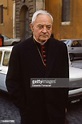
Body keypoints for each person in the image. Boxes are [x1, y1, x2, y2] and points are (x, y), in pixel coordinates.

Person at [6, 10, 69, 124]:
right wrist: (25, 107)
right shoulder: (19, 50)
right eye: (40, 26)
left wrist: (63, 104)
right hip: (32, 114)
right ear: (32, 27)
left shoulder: (61, 48)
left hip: (56, 113)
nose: (45, 31)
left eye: (48, 27)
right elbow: (12, 82)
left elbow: (64, 79)